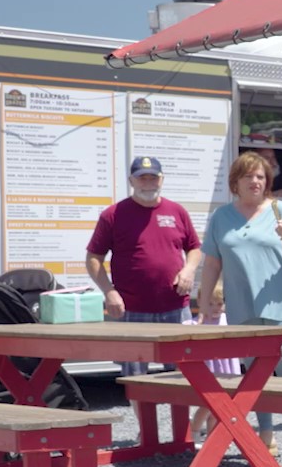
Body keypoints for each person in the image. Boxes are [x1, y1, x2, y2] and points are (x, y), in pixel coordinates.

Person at [200, 151, 282, 460]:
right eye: (249, 176)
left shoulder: (281, 210)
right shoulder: (222, 217)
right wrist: (204, 298)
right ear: (235, 181)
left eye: (261, 177)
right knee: (254, 373)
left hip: (279, 304)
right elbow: (212, 263)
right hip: (241, 308)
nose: (255, 181)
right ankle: (267, 432)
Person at [85, 156, 202, 375]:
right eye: (142, 178)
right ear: (131, 181)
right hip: (132, 309)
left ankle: (180, 411)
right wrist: (109, 292)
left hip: (175, 307)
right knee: (134, 378)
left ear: (162, 180)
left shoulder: (177, 211)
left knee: (184, 375)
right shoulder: (113, 215)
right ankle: (141, 411)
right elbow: (93, 258)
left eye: (153, 178)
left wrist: (189, 270)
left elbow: (194, 248)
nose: (148, 183)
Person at [186, 284, 244, 444]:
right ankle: (194, 430)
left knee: (220, 409)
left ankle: (213, 441)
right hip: (209, 369)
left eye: (219, 303)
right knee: (208, 405)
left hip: (227, 368)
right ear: (200, 302)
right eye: (210, 304)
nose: (215, 308)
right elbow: (186, 330)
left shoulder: (228, 320)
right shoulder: (198, 322)